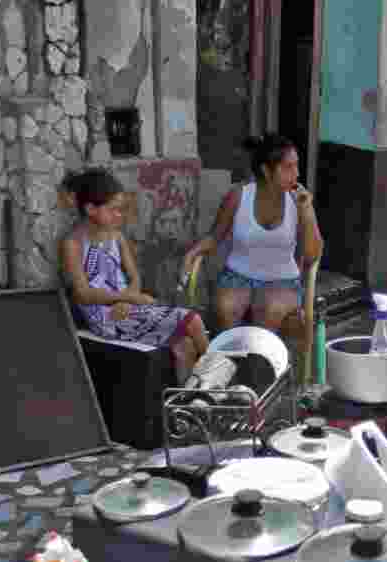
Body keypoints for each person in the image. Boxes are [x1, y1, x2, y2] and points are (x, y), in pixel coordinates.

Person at [58, 168, 209, 384]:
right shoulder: (73, 244)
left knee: (185, 345)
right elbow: (83, 294)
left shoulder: (116, 237)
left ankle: (187, 404)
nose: (120, 216)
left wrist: (129, 298)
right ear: (91, 209)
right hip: (105, 318)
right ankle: (218, 384)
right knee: (192, 320)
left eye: (121, 210)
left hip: (129, 308)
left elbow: (134, 277)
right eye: (114, 210)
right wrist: (128, 298)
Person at [184, 134, 323, 332]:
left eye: (296, 166)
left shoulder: (298, 200)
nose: (297, 174)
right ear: (267, 171)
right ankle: (231, 361)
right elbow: (215, 237)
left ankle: (262, 362)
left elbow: (312, 254)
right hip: (237, 276)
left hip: (283, 281)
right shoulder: (238, 196)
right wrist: (192, 253)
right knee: (226, 308)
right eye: (288, 167)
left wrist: (307, 211)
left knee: (269, 309)